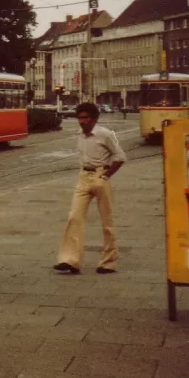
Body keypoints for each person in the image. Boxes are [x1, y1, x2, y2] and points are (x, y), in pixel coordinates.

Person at [54, 102, 126, 274]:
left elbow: (120, 157)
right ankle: (70, 260)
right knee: (74, 217)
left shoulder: (106, 134)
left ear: (94, 119)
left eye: (85, 118)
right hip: (83, 178)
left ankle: (108, 263)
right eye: (80, 118)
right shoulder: (79, 134)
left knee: (107, 222)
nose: (82, 121)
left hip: (100, 177)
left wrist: (107, 175)